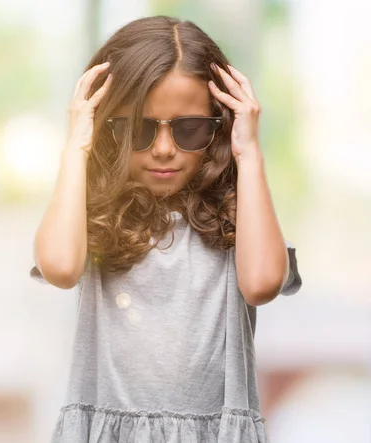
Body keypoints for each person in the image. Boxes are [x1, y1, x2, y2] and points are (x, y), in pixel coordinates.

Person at [30, 15, 302, 443]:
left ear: (219, 128)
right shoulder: (94, 216)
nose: (162, 149)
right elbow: (60, 268)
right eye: (137, 128)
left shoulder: (240, 218)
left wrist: (249, 152)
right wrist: (75, 148)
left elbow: (262, 284)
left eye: (189, 129)